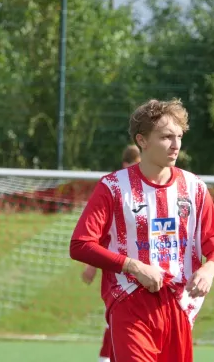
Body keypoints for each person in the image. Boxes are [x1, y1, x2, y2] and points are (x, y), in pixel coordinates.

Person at [70, 98, 214, 362]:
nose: (176, 145)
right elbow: (80, 244)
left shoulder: (195, 188)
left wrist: (209, 269)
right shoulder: (113, 187)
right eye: (166, 137)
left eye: (179, 136)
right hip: (129, 301)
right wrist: (134, 266)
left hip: (179, 306)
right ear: (142, 141)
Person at [81, 144, 141, 362]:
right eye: (136, 165)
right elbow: (102, 235)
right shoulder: (116, 190)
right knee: (117, 321)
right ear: (126, 165)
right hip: (120, 273)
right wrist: (91, 266)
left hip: (146, 271)